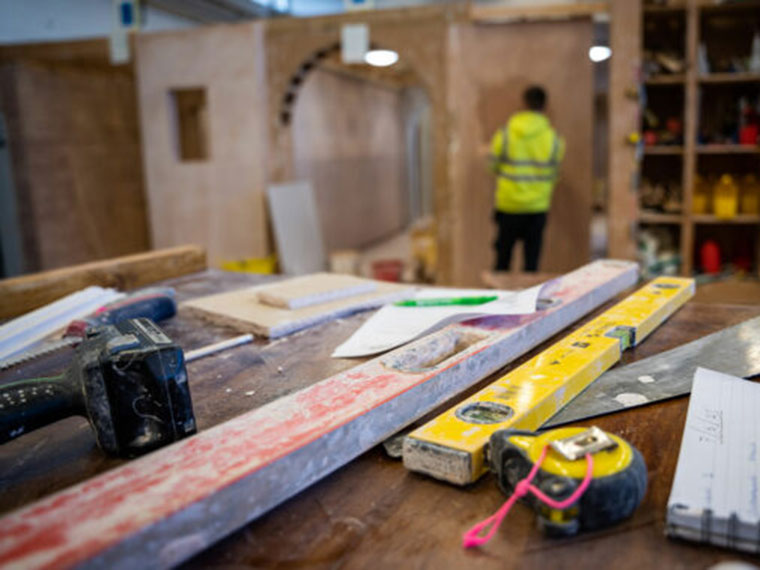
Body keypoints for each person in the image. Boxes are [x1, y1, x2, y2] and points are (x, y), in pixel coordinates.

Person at [489, 85, 564, 272]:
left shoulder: (506, 134)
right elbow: (554, 174)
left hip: (508, 205)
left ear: (523, 103)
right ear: (544, 106)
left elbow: (492, 165)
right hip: (537, 208)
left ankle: (500, 301)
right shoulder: (553, 138)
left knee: (502, 261)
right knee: (531, 264)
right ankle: (528, 300)